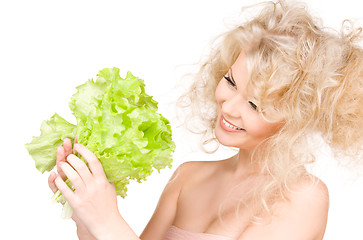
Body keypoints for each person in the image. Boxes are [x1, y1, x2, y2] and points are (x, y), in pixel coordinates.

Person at [48, 0, 363, 239]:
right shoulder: (188, 178)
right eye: (230, 81)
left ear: (297, 120)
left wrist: (106, 219)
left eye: (255, 105)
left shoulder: (303, 196)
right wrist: (85, 210)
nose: (229, 108)